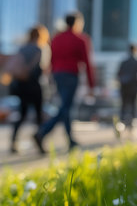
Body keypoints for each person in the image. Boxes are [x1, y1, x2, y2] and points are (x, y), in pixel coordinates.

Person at [34, 12, 95, 152]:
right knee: (66, 107)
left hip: (57, 75)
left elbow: (51, 59)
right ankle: (42, 132)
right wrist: (91, 85)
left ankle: (70, 140)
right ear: (77, 23)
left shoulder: (56, 38)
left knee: (66, 107)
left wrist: (50, 77)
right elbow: (87, 63)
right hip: (71, 75)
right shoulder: (80, 39)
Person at [10, 25, 50, 154]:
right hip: (35, 85)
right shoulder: (41, 48)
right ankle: (40, 142)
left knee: (22, 114)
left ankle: (13, 142)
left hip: (22, 85)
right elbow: (44, 68)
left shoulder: (22, 48)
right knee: (39, 115)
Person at [117, 44, 137, 127]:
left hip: (124, 87)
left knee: (124, 105)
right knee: (133, 105)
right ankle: (132, 122)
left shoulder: (124, 62)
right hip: (133, 88)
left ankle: (122, 122)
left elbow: (118, 74)